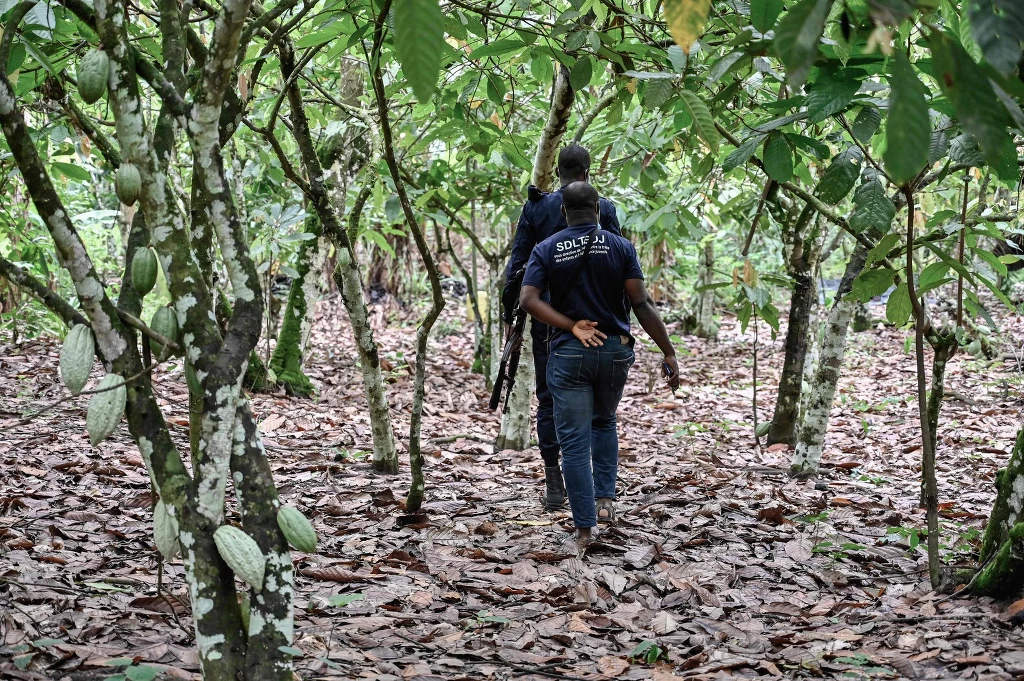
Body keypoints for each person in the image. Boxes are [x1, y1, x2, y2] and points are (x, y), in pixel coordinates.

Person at [519, 181, 679, 551]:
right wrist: (667, 351)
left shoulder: (547, 248)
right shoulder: (621, 246)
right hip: (613, 351)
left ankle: (584, 530)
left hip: (568, 352)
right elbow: (640, 304)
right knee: (604, 422)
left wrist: (571, 325)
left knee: (574, 445)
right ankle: (605, 503)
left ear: (563, 211)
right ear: (597, 208)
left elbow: (528, 299)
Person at [501, 144, 622, 512]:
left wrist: (511, 316)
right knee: (603, 411)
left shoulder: (536, 207)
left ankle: (555, 482)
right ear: (587, 172)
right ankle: (599, 493)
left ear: (558, 172)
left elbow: (517, 264)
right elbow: (619, 263)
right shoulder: (605, 208)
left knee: (549, 398)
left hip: (549, 322)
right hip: (598, 322)